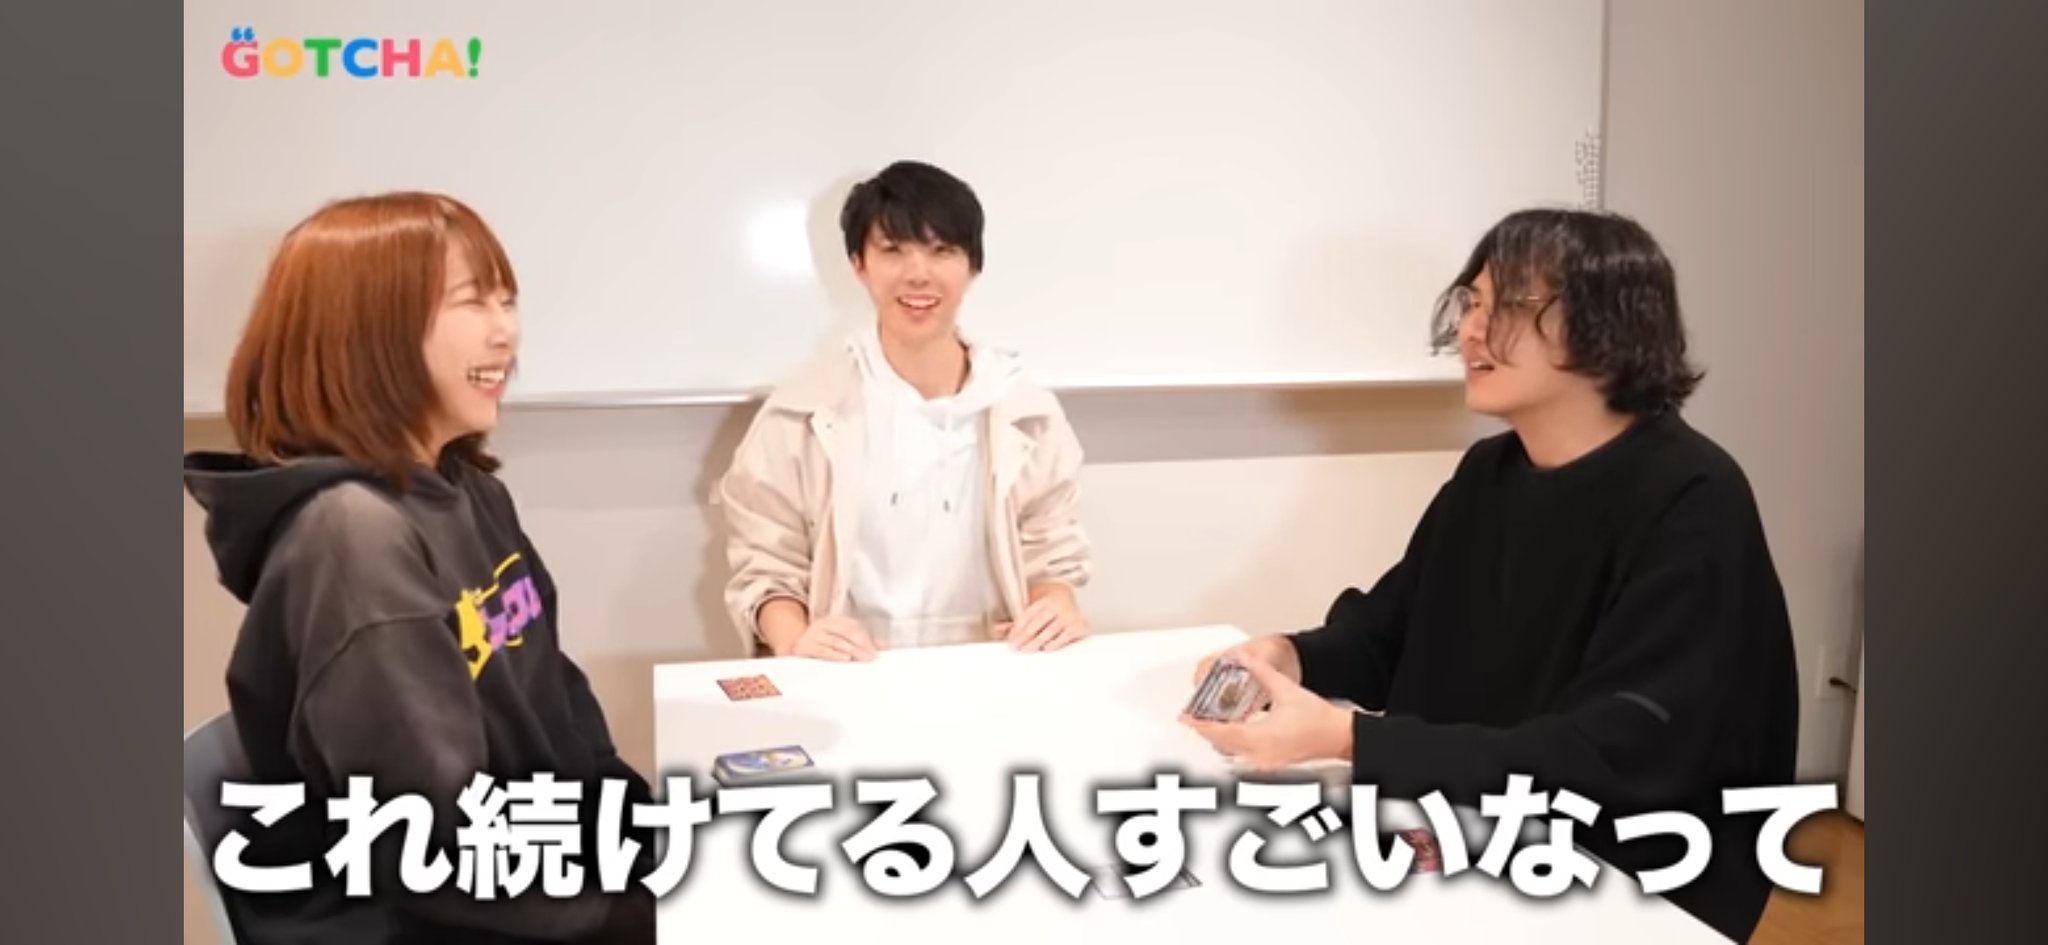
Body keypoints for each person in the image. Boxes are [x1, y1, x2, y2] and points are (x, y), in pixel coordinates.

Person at [1182, 208, 1800, 942]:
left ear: (1608, 322)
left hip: (1627, 872)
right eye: (1470, 302)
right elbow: (1391, 633)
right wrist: (1288, 656)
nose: (1471, 331)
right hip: (1481, 826)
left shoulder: (1693, 498)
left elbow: (1617, 753)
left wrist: (1350, 738)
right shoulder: (1490, 473)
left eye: (1506, 305)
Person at [184, 192, 654, 944]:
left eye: (507, 300)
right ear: (368, 331)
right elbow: (433, 851)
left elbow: (562, 705)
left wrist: (649, 843)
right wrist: (647, 915)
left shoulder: (472, 490)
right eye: (472, 301)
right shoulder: (353, 540)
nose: (506, 330)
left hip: (536, 879)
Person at [717, 160, 1093, 660]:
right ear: (859, 264)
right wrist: (795, 637)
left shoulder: (1026, 413)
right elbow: (766, 565)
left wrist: (1055, 607)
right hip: (849, 672)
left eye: (942, 251)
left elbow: (1050, 557)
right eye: (893, 250)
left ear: (972, 266)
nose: (918, 274)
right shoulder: (802, 413)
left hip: (991, 669)